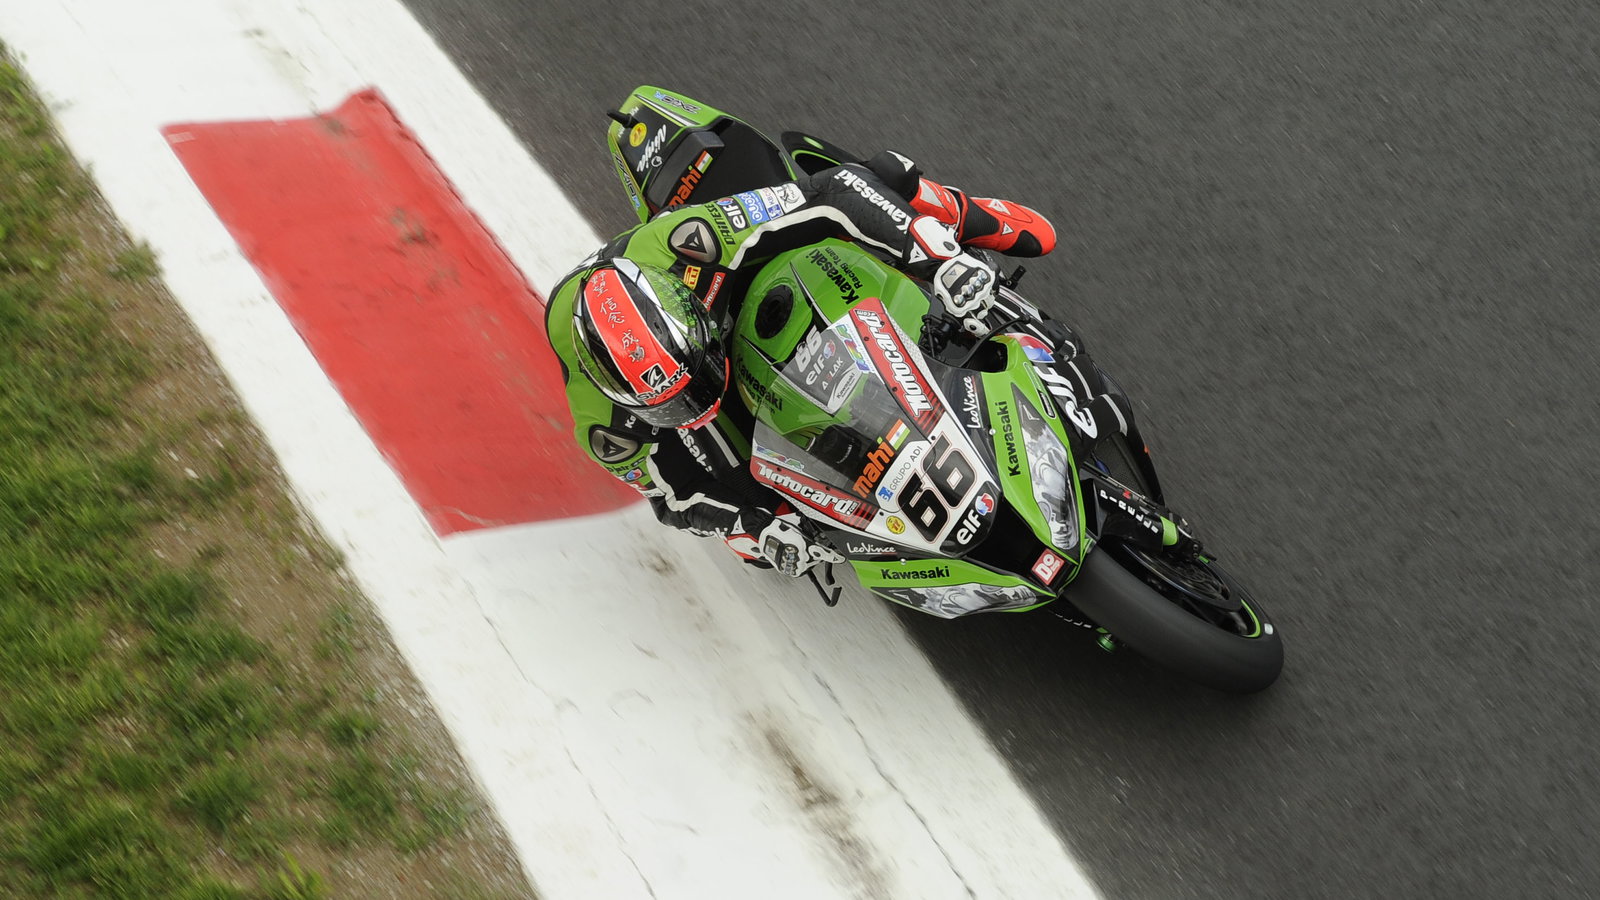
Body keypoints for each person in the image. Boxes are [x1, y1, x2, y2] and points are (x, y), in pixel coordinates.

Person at [544, 150, 1061, 576]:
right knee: (757, 546)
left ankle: (948, 207)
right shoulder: (605, 431)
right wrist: (753, 522)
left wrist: (938, 261)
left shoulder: (687, 243)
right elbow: (674, 498)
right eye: (672, 400)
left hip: (751, 276)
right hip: (726, 396)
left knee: (872, 186)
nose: (693, 395)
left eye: (691, 382)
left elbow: (830, 192)